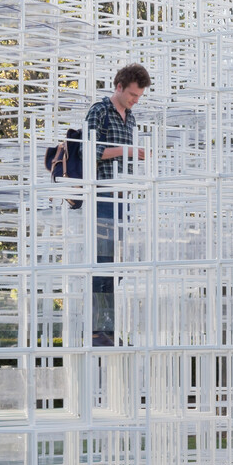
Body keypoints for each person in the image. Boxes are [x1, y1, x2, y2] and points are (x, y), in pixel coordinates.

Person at [84, 64, 150, 347]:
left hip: (122, 195)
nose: (136, 100)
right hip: (101, 194)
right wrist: (126, 150)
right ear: (119, 87)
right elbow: (89, 150)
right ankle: (97, 330)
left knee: (117, 265)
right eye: (133, 94)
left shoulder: (131, 118)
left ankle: (107, 329)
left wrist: (137, 156)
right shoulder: (99, 111)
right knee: (101, 263)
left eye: (139, 96)